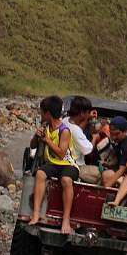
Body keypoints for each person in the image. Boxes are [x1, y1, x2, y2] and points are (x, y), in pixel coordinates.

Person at [29, 95, 78, 235]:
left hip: (68, 165)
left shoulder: (65, 131)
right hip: (53, 164)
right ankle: (36, 213)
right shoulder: (45, 127)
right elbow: (32, 146)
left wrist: (47, 140)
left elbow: (61, 154)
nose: (40, 114)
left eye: (41, 112)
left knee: (66, 180)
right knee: (40, 173)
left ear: (47, 113)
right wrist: (36, 136)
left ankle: (66, 219)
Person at [101, 116, 127, 189]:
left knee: (106, 175)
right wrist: (108, 164)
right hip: (122, 169)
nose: (113, 137)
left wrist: (106, 187)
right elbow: (119, 157)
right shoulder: (120, 140)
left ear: (126, 131)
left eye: (117, 134)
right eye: (111, 134)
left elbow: (122, 169)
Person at [63, 95, 94, 174]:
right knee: (103, 174)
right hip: (76, 166)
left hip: (65, 162)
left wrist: (87, 118)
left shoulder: (65, 121)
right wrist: (95, 137)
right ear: (82, 113)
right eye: (88, 112)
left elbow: (78, 129)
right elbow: (89, 151)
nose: (88, 114)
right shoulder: (76, 131)